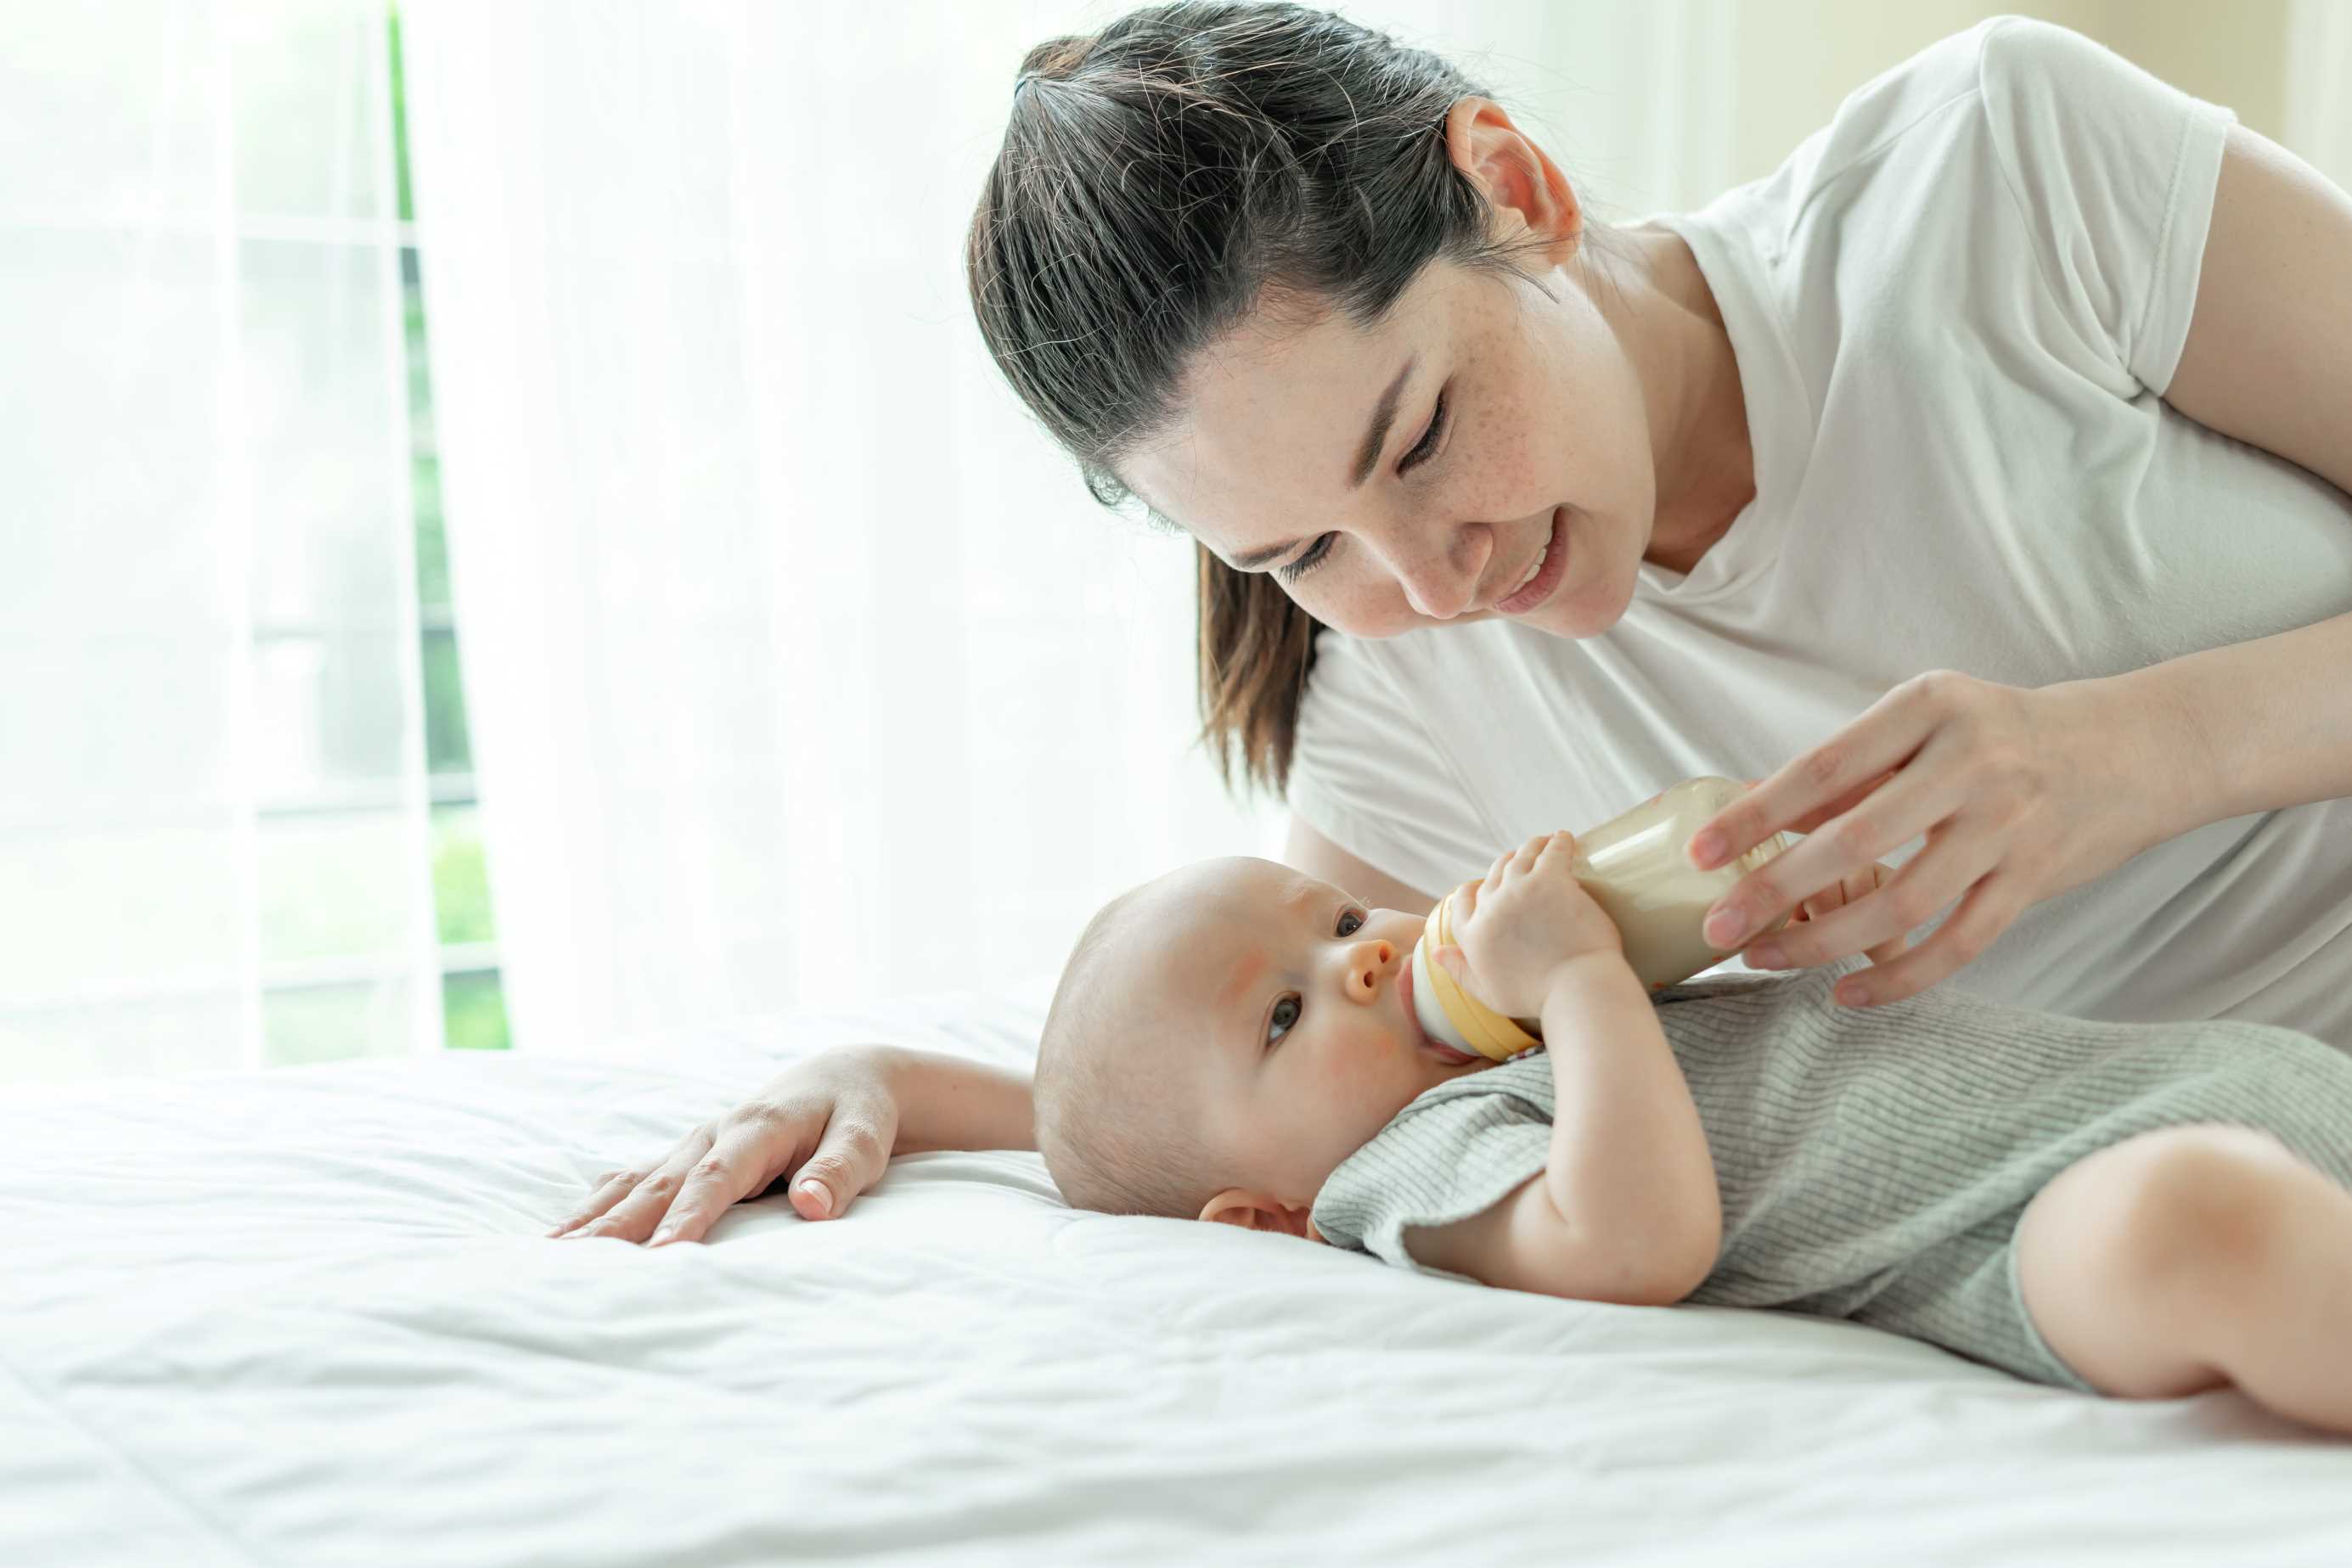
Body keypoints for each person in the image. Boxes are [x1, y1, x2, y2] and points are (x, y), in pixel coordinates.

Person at [548, 3, 2352, 1247]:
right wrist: (887, 1081)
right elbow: (1278, 1076)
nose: (1427, 583)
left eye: (1413, 436)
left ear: (1517, 190)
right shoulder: (1402, 699)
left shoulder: (1992, 180)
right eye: (1297, 553)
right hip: (2237, 1202)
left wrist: (2126, 756)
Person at [1022, 834, 2352, 1428]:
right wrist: (1583, 981)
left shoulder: (1542, 1028)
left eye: (1337, 918)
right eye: (1279, 1018)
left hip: (2228, 1081)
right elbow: (1628, 1240)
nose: (1364, 961)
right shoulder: (1401, 1167)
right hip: (2021, 1235)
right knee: (2187, 1220)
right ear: (1265, 1217)